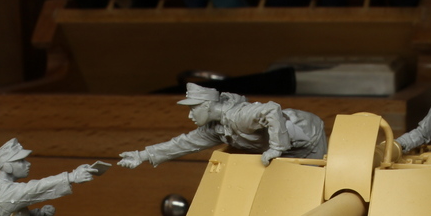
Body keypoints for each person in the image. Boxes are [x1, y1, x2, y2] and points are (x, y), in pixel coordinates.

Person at [117, 82, 327, 169]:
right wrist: (141, 155)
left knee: (311, 186)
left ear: (207, 106)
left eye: (193, 109)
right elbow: (184, 143)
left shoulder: (239, 116)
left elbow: (272, 109)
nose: (190, 115)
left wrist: (276, 148)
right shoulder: (215, 129)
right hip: (290, 150)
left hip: (308, 138)